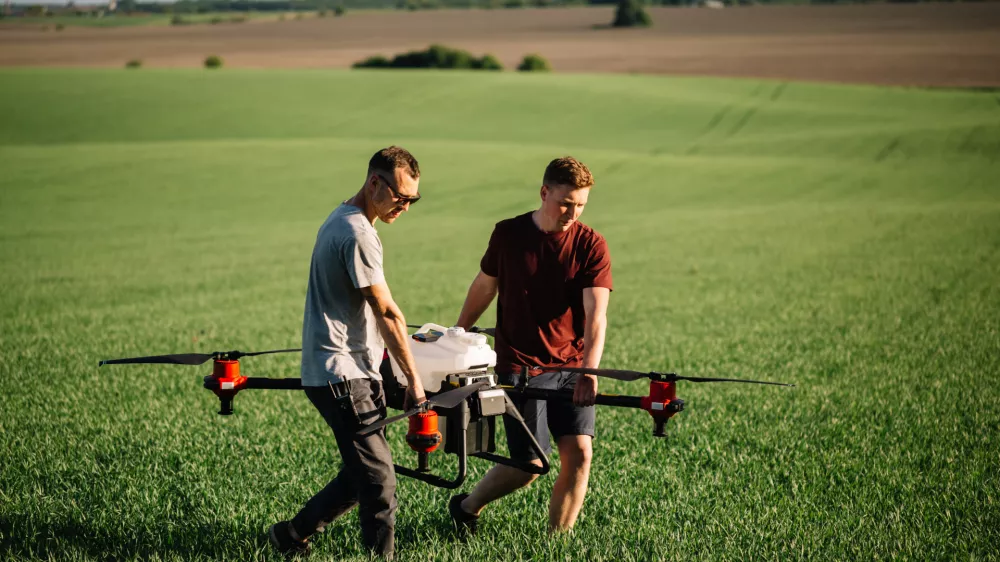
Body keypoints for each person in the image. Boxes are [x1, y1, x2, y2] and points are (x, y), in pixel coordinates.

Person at [269, 146, 427, 560]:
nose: (406, 207)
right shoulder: (357, 233)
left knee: (361, 474)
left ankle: (290, 536)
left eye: (414, 200)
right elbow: (387, 312)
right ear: (375, 182)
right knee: (379, 482)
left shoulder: (344, 219)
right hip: (343, 375)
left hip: (353, 369)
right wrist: (414, 381)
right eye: (400, 197)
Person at [449, 156, 612, 535]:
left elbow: (596, 314)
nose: (572, 212)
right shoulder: (508, 235)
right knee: (530, 465)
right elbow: (484, 287)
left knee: (580, 455)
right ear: (544, 192)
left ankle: (557, 543)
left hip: (572, 368)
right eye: (565, 202)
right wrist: (457, 333)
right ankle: (467, 507)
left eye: (581, 204)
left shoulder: (591, 245)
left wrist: (589, 371)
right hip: (518, 366)